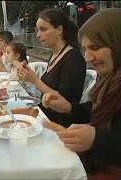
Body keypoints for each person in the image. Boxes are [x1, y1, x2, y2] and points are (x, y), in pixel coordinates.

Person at [41, 8, 121, 179]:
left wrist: (96, 138)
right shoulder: (109, 78)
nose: (88, 57)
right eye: (85, 49)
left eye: (96, 47)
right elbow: (93, 110)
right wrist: (69, 107)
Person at [18, 9, 86, 128]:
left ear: (59, 30)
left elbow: (64, 103)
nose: (38, 35)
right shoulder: (55, 55)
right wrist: (27, 75)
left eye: (43, 29)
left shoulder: (73, 59)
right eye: (37, 30)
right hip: (44, 116)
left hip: (59, 125)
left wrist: (35, 80)